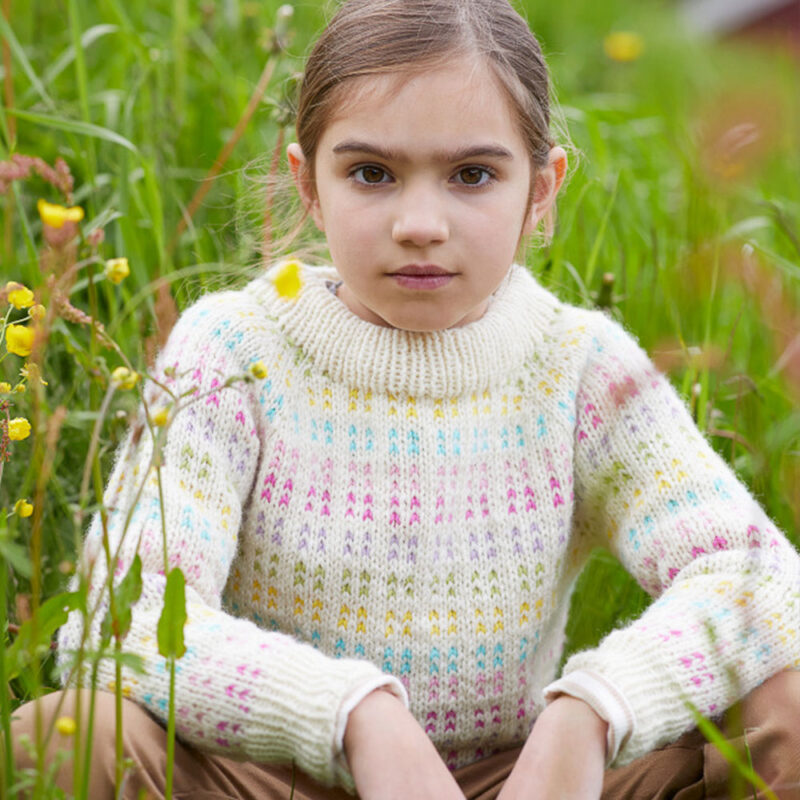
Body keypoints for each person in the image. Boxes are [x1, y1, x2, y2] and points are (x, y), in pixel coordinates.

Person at [12, 0, 800, 798]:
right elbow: (119, 624)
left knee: (786, 695)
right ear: (307, 185)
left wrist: (594, 710)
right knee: (68, 738)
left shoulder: (579, 366)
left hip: (520, 781)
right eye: (371, 174)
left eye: (473, 175)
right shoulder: (233, 350)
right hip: (270, 777)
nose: (420, 224)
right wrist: (350, 713)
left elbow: (756, 576)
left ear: (540, 189)